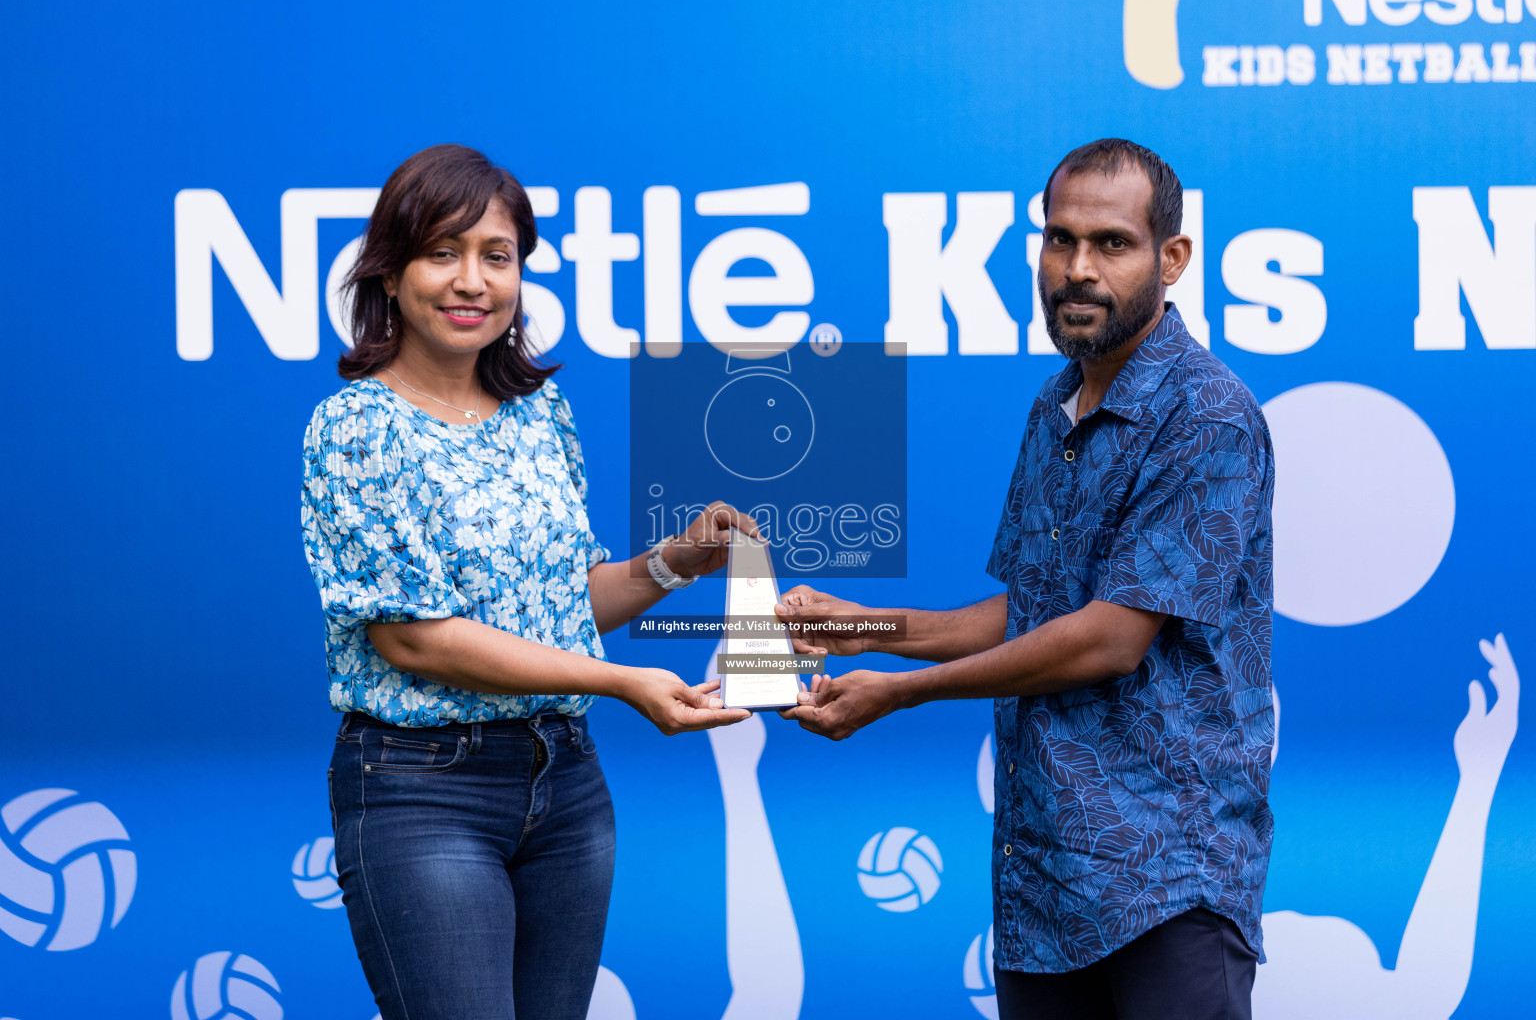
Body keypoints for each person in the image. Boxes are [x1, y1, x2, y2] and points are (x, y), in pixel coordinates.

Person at [777, 139, 1276, 1020]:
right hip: (1045, 883)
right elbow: (1035, 609)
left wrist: (898, 692)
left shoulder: (1208, 413)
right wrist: (868, 627)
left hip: (1169, 882)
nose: (1078, 270)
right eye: (1060, 240)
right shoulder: (1056, 405)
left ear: (1173, 259)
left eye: (1111, 244)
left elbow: (1110, 639)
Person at [300, 143, 751, 1020]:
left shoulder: (539, 413)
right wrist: (618, 681)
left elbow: (562, 613)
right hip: (422, 790)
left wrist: (670, 564)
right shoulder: (353, 428)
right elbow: (413, 637)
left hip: (567, 789)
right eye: (442, 252)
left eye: (496, 257)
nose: (472, 281)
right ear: (390, 274)